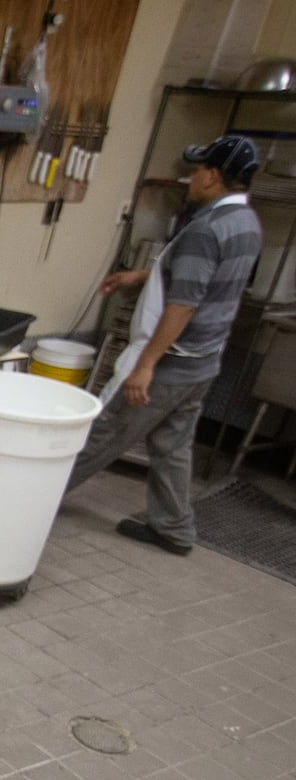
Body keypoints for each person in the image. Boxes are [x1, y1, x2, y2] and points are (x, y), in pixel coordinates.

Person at [64, 134, 263, 554]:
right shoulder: (247, 224)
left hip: (170, 365)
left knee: (100, 435)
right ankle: (173, 527)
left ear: (212, 176)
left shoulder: (205, 230)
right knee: (173, 447)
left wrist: (145, 366)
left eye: (196, 170)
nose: (189, 177)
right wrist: (143, 277)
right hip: (204, 363)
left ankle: (26, 500)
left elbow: (184, 305)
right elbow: (207, 284)